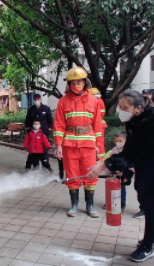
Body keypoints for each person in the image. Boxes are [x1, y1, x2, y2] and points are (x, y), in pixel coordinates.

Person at [88, 90, 154, 262]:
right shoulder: (136, 121)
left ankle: (147, 247)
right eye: (119, 107)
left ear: (138, 108)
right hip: (148, 167)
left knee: (150, 206)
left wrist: (103, 166)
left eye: (124, 107)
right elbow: (129, 151)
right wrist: (122, 171)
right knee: (149, 203)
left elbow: (132, 152)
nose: (120, 110)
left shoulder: (151, 123)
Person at [54, 67, 103, 218]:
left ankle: (90, 206)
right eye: (73, 83)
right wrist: (58, 145)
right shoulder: (63, 101)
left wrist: (99, 149)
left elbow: (98, 127)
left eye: (79, 82)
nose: (76, 85)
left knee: (90, 175)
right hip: (69, 146)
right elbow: (59, 125)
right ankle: (74, 205)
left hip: (88, 145)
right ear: (69, 84)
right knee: (72, 175)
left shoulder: (93, 101)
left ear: (85, 82)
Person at [102, 131, 134, 212]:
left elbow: (130, 164)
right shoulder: (114, 150)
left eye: (120, 141)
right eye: (116, 141)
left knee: (122, 188)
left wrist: (125, 173)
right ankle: (109, 202)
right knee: (111, 187)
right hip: (113, 173)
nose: (118, 143)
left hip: (123, 173)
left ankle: (122, 204)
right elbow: (109, 159)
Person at [25, 94, 54, 172]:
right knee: (34, 150)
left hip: (44, 133)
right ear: (33, 100)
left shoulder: (46, 109)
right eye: (35, 99)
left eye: (38, 99)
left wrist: (49, 130)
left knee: (44, 151)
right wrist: (28, 130)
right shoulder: (31, 109)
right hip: (33, 133)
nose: (36, 101)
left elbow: (50, 121)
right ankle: (36, 166)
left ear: (40, 99)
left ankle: (45, 166)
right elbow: (27, 120)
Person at [88, 87, 108, 160]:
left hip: (98, 125)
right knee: (99, 142)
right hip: (100, 124)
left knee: (98, 142)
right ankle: (100, 158)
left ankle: (100, 159)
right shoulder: (100, 101)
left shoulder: (95, 101)